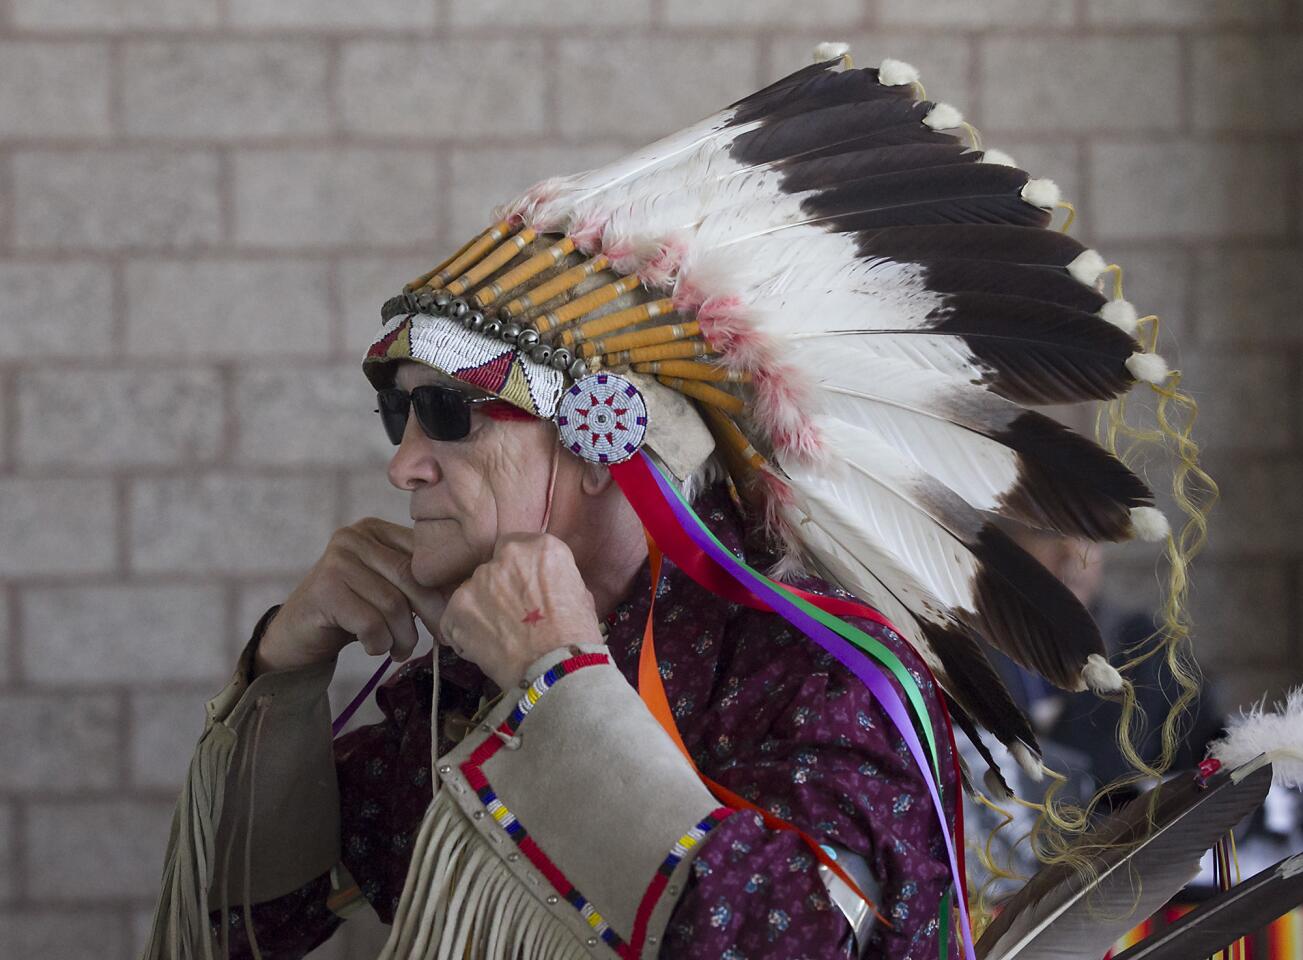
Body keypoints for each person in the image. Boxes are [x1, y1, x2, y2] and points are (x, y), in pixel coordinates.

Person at [142, 44, 1201, 960]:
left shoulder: (823, 671)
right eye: (397, 420)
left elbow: (784, 942)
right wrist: (284, 670)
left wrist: (562, 690)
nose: (404, 466)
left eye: (450, 417)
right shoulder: (453, 687)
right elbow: (248, 926)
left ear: (604, 440)